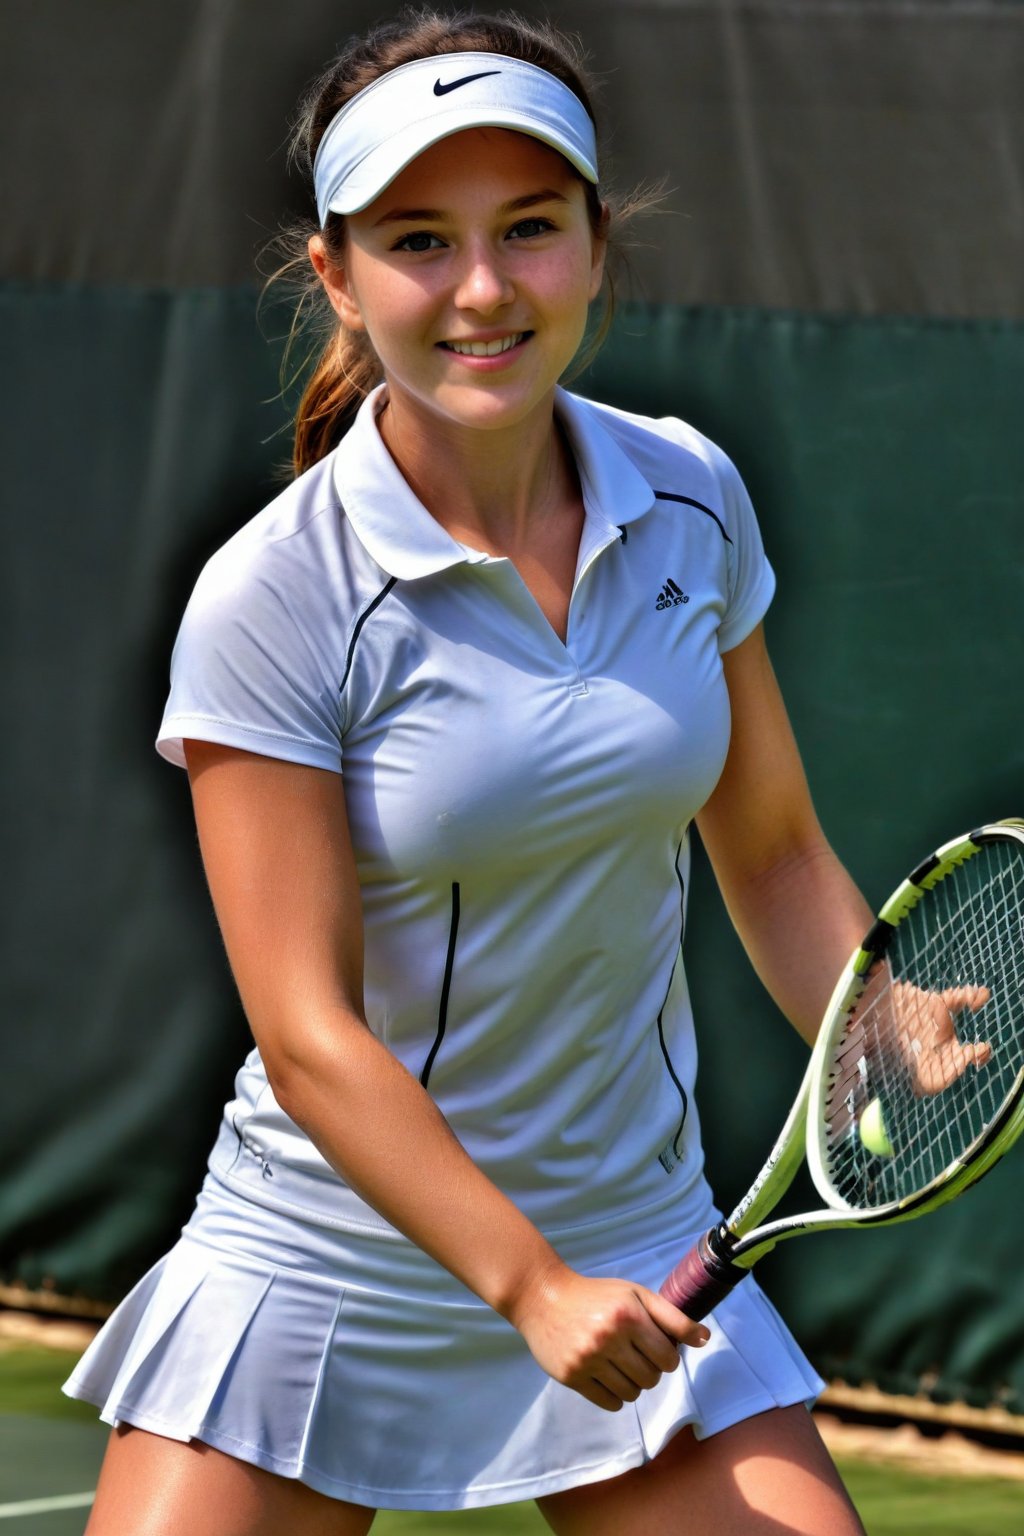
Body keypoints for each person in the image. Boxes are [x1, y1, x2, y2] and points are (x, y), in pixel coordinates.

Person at [65, 8, 874, 1532]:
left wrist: (880, 1020)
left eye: (531, 230)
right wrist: (526, 1283)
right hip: (331, 1263)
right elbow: (307, 1035)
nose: (485, 289)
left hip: (634, 1243)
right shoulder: (275, 595)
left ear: (594, 243)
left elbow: (769, 851)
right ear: (339, 275)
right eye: (421, 240)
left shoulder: (691, 495)